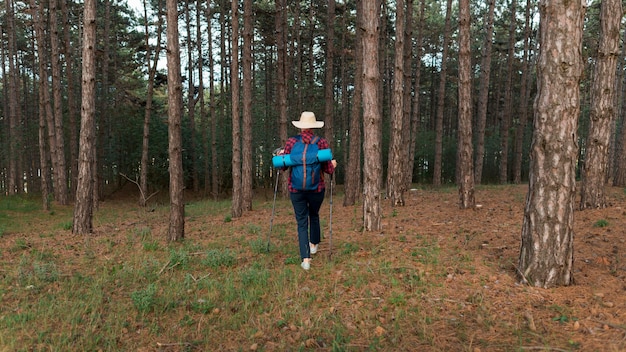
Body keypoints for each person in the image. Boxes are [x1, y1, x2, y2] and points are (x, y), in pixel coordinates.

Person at [280, 111, 337, 270]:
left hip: (295, 188)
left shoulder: (291, 142)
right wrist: (333, 164)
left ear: (300, 126)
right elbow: (328, 169)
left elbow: (283, 167)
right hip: (317, 188)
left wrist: (282, 156)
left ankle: (306, 259)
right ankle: (314, 244)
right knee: (314, 214)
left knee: (301, 222)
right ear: (313, 126)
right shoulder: (321, 143)